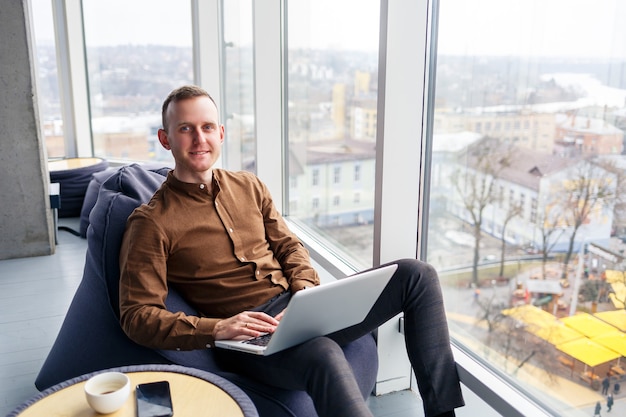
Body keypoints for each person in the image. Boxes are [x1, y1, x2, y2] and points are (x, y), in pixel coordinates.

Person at [119, 85, 465, 417]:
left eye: (207, 127)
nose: (200, 139)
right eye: (185, 128)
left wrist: (304, 293)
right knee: (324, 353)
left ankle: (442, 413)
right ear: (165, 138)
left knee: (416, 275)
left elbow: (290, 247)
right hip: (248, 338)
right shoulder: (152, 222)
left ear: (221, 133)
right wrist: (218, 328)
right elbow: (137, 316)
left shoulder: (249, 185)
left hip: (300, 308)